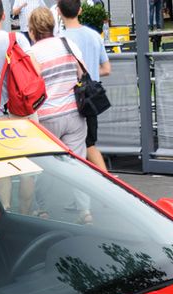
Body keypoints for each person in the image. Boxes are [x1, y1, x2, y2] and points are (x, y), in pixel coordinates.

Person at [26, 6, 90, 221]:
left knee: (43, 165)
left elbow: (31, 86)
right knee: (78, 163)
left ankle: (42, 209)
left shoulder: (32, 54)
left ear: (32, 30)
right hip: (74, 112)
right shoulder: (68, 43)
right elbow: (82, 73)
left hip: (46, 116)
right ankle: (85, 211)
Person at [56, 0, 109, 169]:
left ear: (58, 12)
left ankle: (105, 183)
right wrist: (91, 71)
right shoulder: (94, 35)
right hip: (89, 98)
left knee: (76, 149)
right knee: (89, 144)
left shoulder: (59, 39)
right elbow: (106, 69)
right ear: (80, 10)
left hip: (70, 100)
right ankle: (107, 182)